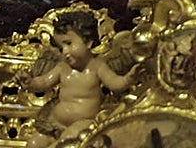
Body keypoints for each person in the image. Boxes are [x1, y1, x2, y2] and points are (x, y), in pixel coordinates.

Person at [21, 12, 134, 147]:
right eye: (61, 47)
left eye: (68, 43)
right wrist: (31, 82)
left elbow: (115, 83)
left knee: (67, 141)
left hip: (83, 124)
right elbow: (44, 82)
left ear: (88, 42)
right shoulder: (63, 67)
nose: (64, 51)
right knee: (34, 144)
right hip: (54, 123)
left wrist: (128, 78)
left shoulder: (97, 67)